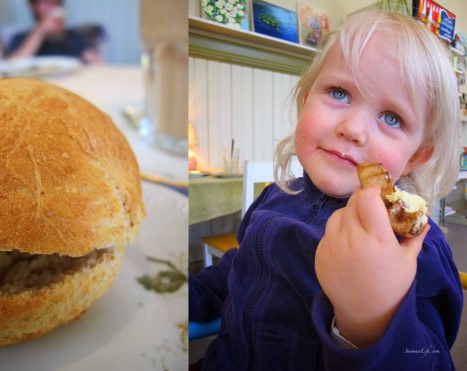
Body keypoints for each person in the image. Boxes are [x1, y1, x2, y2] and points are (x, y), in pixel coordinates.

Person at [189, 9, 463, 370]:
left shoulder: (416, 251)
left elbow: (430, 360)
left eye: (392, 118)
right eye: (339, 92)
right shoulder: (275, 198)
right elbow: (237, 272)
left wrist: (371, 322)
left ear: (416, 156)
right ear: (306, 102)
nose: (353, 128)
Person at [7, 0, 101, 64]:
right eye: (46, 3)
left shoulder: (74, 36)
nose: (52, 8)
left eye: (56, 4)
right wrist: (40, 31)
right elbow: (13, 65)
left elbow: (97, 64)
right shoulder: (20, 37)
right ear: (33, 6)